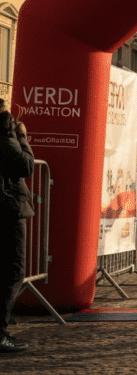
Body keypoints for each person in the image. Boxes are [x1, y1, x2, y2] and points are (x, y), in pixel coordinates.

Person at [0, 100, 34, 353]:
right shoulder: (4, 131)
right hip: (7, 207)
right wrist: (21, 137)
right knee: (12, 270)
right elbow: (25, 166)